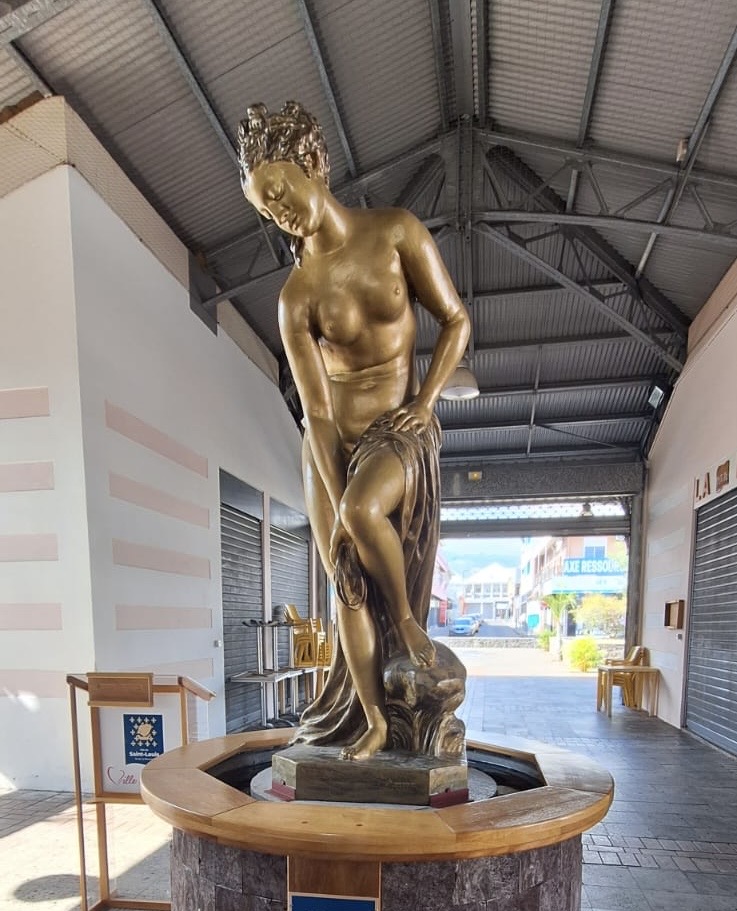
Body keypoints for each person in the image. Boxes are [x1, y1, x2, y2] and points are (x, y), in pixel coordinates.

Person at [238, 101, 469, 760]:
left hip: (399, 429)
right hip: (328, 444)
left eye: (280, 191)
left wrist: (424, 403)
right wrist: (331, 503)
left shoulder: (395, 233)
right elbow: (313, 411)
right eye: (264, 206)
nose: (277, 210)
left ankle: (407, 626)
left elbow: (455, 321)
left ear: (312, 165)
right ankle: (371, 719)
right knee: (345, 576)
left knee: (364, 510)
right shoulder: (296, 295)